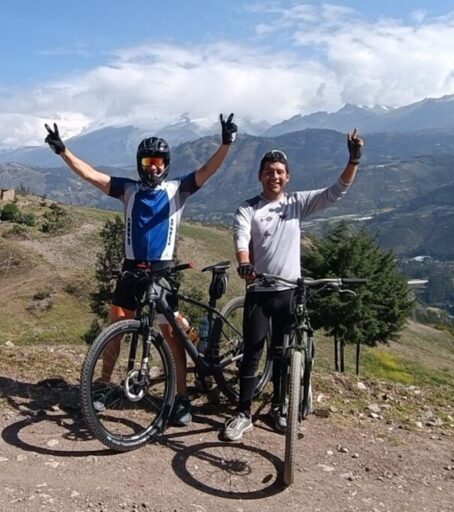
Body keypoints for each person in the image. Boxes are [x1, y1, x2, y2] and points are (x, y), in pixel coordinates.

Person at [44, 114, 238, 426]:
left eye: (159, 161)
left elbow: (207, 171)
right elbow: (91, 176)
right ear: (140, 163)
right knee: (115, 326)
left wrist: (226, 144)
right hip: (131, 270)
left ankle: (180, 398)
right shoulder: (128, 189)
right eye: (148, 160)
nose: (154, 166)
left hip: (161, 271)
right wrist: (63, 151)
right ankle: (106, 385)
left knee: (170, 334)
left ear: (167, 163)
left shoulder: (179, 189)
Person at [223, 129, 364, 441]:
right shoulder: (248, 208)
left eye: (280, 172)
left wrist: (353, 159)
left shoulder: (297, 203)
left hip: (289, 292)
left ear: (288, 177)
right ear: (260, 176)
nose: (274, 176)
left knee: (284, 354)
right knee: (252, 352)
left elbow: (335, 191)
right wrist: (244, 262)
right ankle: (243, 412)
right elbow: (241, 237)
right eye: (269, 172)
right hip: (260, 292)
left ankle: (278, 407)